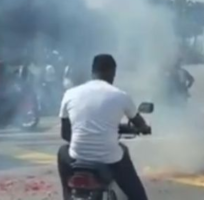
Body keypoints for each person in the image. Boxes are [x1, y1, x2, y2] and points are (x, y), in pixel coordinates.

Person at [58, 54, 150, 200]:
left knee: (62, 151)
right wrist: (144, 128)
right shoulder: (120, 95)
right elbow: (140, 123)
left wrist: (84, 139)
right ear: (113, 72)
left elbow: (65, 134)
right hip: (109, 159)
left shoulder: (70, 94)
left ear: (92, 71)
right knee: (136, 193)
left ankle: (67, 194)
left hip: (78, 158)